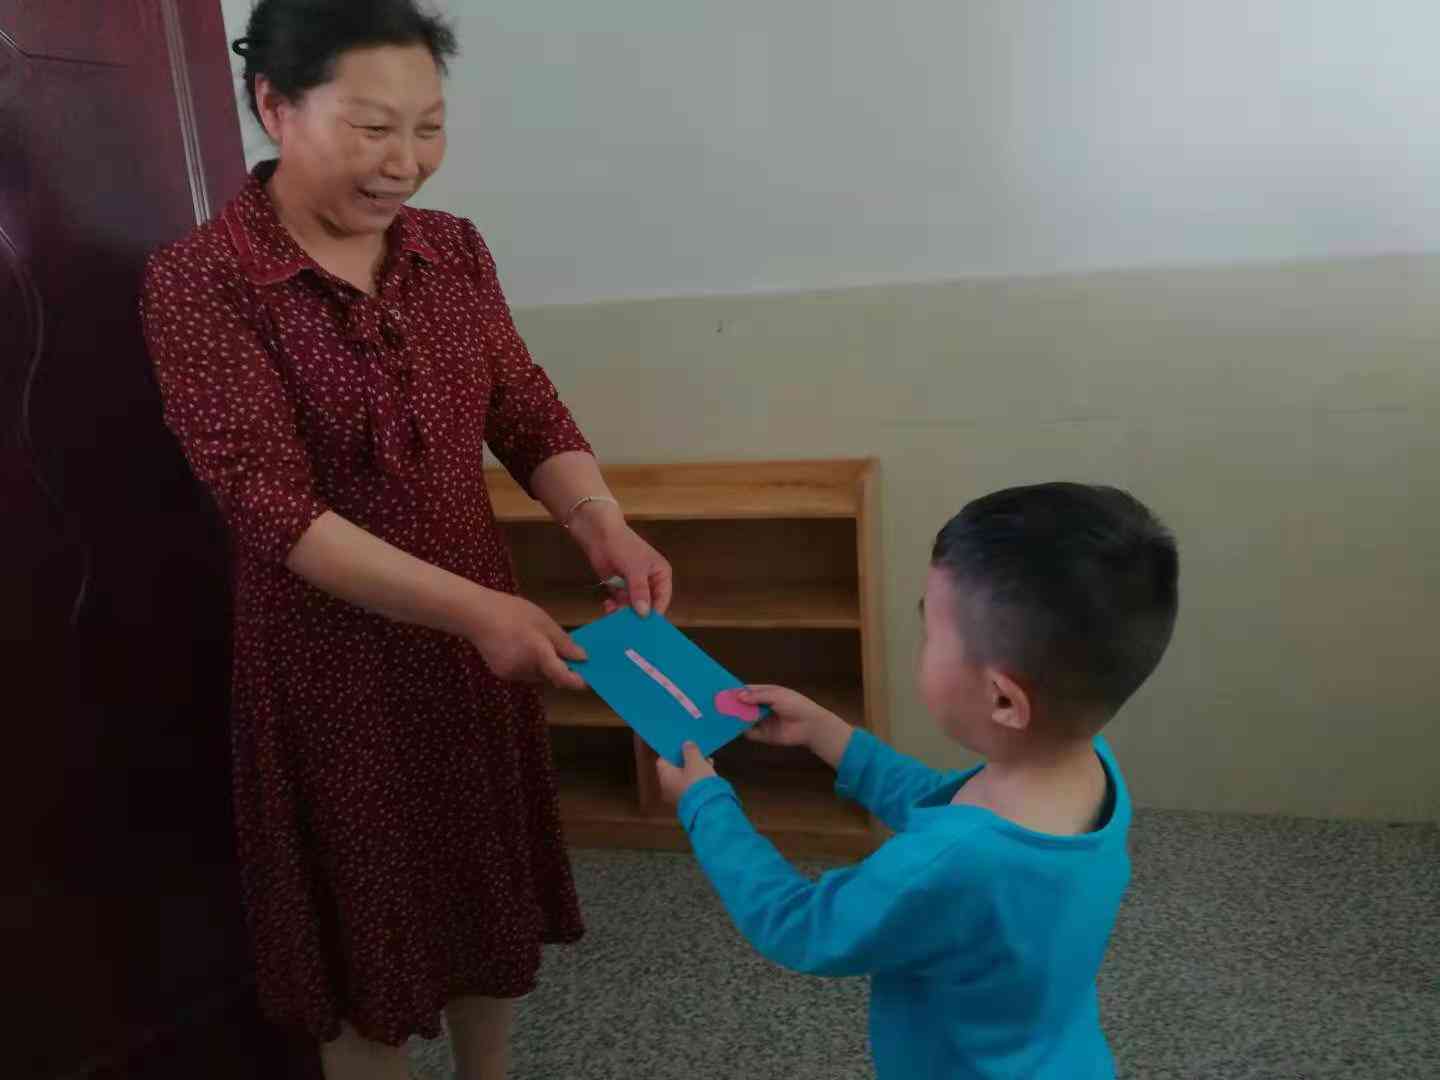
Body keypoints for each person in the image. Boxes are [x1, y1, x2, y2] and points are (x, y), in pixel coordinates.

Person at [140, 2, 671, 1077]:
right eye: (372, 127)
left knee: (483, 898)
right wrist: (475, 611)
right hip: (330, 668)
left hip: (477, 648)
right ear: (275, 106)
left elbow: (523, 406)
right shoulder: (203, 279)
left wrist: (600, 519)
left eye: (429, 127)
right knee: (364, 950)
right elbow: (270, 507)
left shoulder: (451, 249)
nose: (406, 162)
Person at [657, 483, 1179, 1079]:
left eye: (929, 630)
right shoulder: (1087, 768)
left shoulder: (954, 861)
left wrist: (705, 806)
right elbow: (941, 803)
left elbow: (803, 925)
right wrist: (832, 736)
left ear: (1002, 699)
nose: (921, 642)